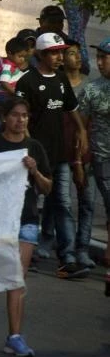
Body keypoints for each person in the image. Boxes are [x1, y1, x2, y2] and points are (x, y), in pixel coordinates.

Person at [0, 97, 51, 357]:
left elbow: (46, 188)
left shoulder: (34, 147)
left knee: (16, 277)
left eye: (25, 116)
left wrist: (35, 171)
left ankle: (14, 336)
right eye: (15, 115)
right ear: (5, 118)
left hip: (25, 219)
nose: (20, 120)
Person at [14, 32, 88, 279]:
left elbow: (72, 108)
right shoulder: (27, 82)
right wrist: (27, 148)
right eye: (55, 53)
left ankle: (67, 258)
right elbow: (21, 118)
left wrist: (81, 131)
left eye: (61, 52)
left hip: (60, 156)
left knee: (63, 204)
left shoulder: (61, 79)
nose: (60, 57)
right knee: (31, 205)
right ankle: (28, 252)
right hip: (36, 156)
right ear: (42, 55)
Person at [79, 37, 110, 271]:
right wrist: (79, 160)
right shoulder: (92, 90)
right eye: (98, 58)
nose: (99, 62)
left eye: (104, 58)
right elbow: (81, 128)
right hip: (102, 159)